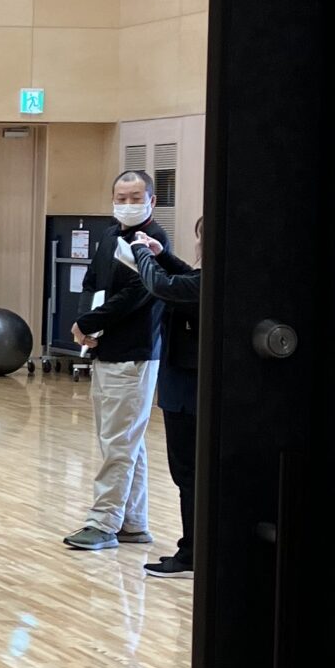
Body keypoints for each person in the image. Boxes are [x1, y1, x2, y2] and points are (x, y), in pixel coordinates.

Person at [65, 169, 170, 551]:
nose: (127, 205)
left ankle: (103, 522)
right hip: (104, 351)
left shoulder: (154, 240)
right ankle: (133, 522)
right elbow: (92, 282)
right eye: (121, 198)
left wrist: (91, 322)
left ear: (151, 201)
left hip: (134, 355)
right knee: (125, 442)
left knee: (119, 442)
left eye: (135, 198)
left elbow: (136, 296)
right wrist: (85, 323)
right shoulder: (110, 236)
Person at [118, 218, 202, 578]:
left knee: (188, 474)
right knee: (189, 476)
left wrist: (141, 252)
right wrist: (161, 255)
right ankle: (194, 550)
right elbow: (182, 280)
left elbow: (163, 286)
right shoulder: (212, 278)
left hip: (187, 392)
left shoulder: (212, 280)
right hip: (183, 388)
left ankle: (192, 554)